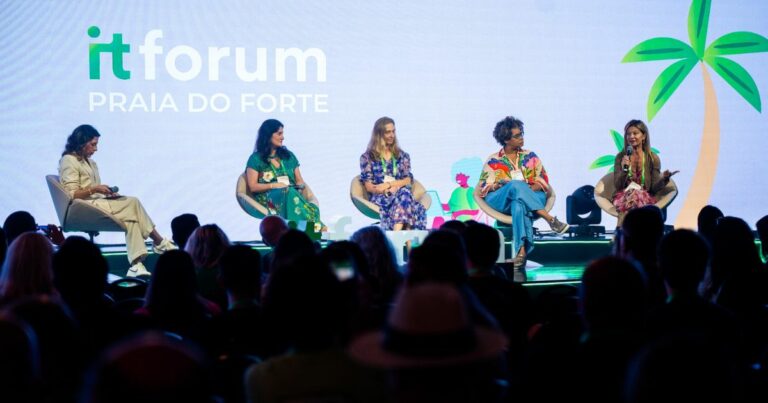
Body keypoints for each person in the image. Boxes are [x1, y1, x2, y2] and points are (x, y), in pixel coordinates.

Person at [58, 125, 176, 277]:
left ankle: (136, 265)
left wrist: (106, 194)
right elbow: (71, 194)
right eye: (93, 144)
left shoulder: (91, 162)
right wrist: (95, 190)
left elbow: (94, 189)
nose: (96, 149)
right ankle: (159, 242)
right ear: (82, 142)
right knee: (133, 202)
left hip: (96, 202)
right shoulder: (68, 160)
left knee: (131, 219)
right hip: (83, 207)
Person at [478, 116, 568, 269]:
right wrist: (503, 185)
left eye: (522, 134)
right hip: (501, 198)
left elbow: (543, 179)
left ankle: (521, 252)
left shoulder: (530, 156)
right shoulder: (493, 160)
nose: (522, 138)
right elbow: (484, 187)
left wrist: (528, 188)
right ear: (506, 139)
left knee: (519, 204)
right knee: (515, 186)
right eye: (517, 136)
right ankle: (549, 219)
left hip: (532, 195)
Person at [245, 119, 323, 229]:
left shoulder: (289, 156)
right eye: (279, 133)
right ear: (268, 135)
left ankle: (300, 231)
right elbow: (253, 187)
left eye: (283, 133)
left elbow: (299, 180)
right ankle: (313, 227)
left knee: (290, 192)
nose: (283, 137)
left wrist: (299, 190)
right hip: (269, 199)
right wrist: (274, 185)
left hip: (292, 195)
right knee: (288, 191)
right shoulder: (255, 159)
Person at [359, 117, 426, 230]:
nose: (392, 135)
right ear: (379, 134)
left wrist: (390, 185)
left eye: (393, 131)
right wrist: (385, 190)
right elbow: (369, 187)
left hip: (401, 194)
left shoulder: (402, 156)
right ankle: (407, 244)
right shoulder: (367, 157)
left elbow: (408, 179)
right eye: (388, 132)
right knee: (407, 200)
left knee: (404, 194)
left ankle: (396, 237)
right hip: (381, 196)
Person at [612, 119, 678, 224]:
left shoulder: (652, 158)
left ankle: (624, 232)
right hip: (624, 196)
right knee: (632, 197)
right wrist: (625, 169)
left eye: (635, 133)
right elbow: (618, 185)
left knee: (636, 197)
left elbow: (653, 188)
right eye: (628, 134)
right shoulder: (621, 157)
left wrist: (664, 179)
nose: (631, 137)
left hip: (644, 196)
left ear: (644, 136)